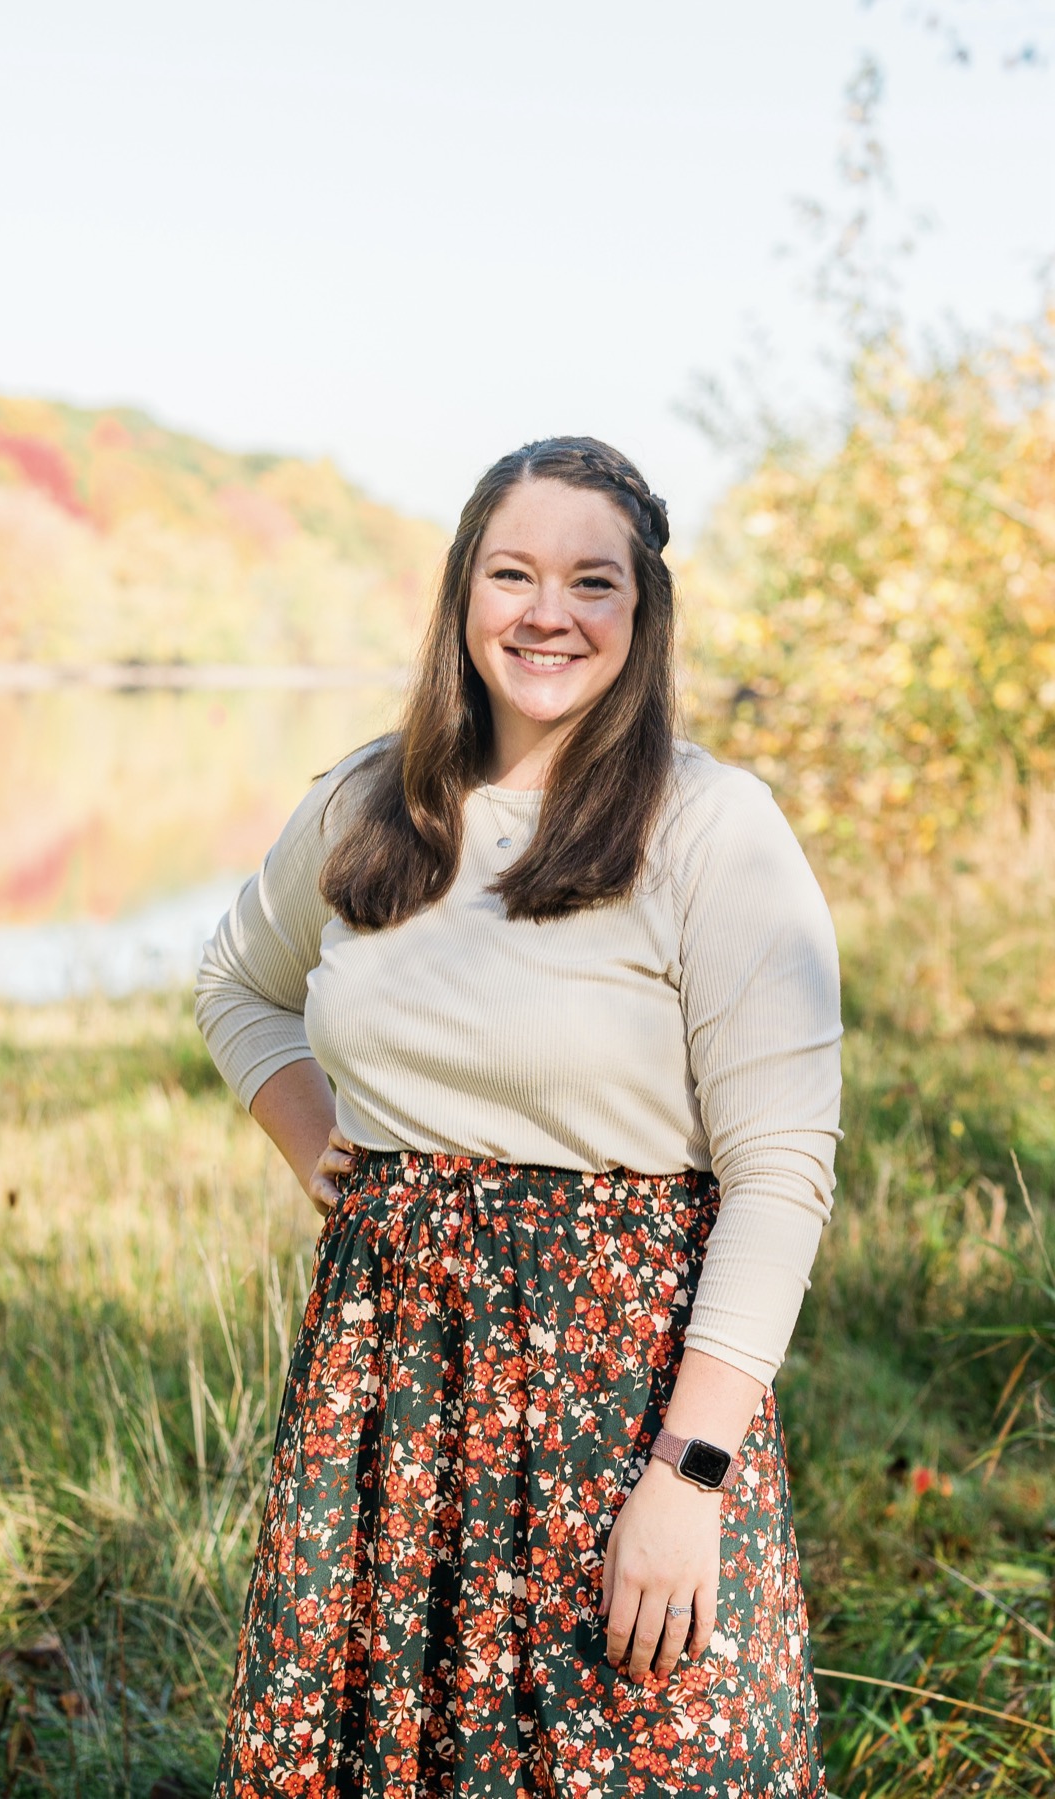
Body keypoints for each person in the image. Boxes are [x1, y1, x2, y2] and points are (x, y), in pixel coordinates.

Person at [196, 436, 842, 1799]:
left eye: (592, 581)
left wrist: (691, 1472)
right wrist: (323, 1147)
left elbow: (781, 1172)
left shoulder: (712, 827)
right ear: (463, 595)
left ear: (642, 614)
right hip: (388, 1394)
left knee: (640, 1752)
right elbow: (236, 987)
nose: (547, 612)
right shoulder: (372, 804)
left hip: (623, 1393)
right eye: (515, 573)